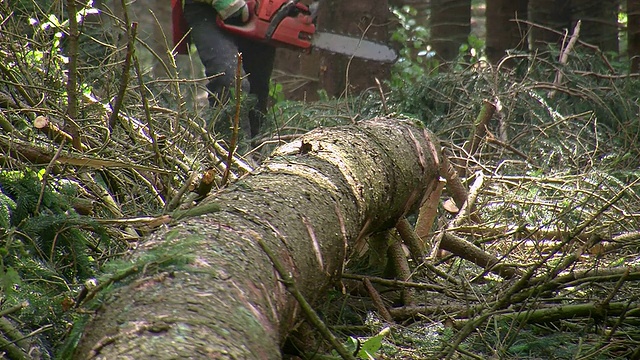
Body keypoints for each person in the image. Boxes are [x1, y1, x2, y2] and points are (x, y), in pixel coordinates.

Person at [172, 0, 276, 142]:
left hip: (263, 9)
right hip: (205, 8)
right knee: (229, 81)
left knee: (256, 93)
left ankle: (256, 157)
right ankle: (231, 156)